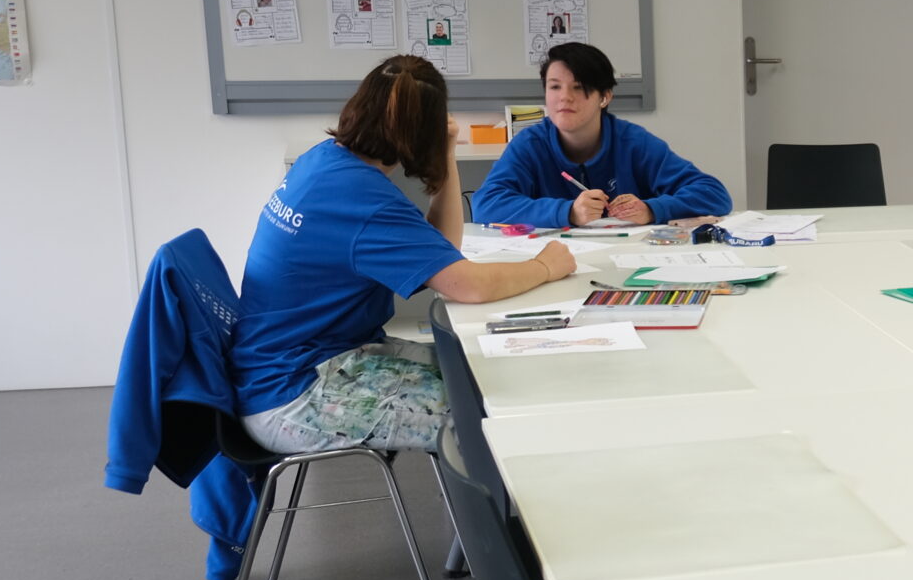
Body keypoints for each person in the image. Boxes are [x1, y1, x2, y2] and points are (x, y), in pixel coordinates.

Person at [231, 56, 576, 456]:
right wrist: (543, 267)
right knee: (490, 408)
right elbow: (468, 285)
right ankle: (496, 496)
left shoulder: (324, 160)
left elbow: (443, 249)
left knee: (478, 368)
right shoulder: (362, 198)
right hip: (295, 392)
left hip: (295, 362)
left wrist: (446, 152)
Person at [470, 42, 732, 228]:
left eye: (578, 87)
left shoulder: (633, 142)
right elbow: (485, 205)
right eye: (554, 87)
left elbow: (714, 194)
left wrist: (652, 209)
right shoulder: (530, 144)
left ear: (604, 97)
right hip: (553, 263)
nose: (564, 97)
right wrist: (568, 212)